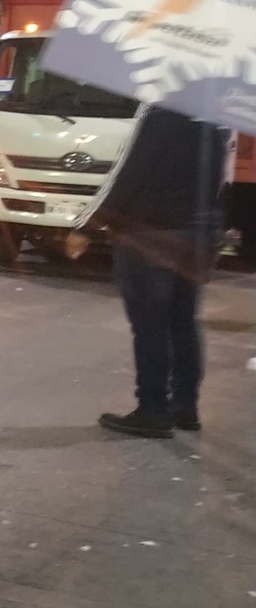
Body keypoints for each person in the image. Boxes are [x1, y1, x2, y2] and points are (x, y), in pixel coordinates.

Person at [67, 106, 228, 438]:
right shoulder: (217, 115)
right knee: (185, 321)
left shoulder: (161, 112)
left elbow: (130, 174)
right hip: (198, 233)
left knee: (151, 325)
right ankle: (186, 406)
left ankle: (153, 409)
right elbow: (218, 179)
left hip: (151, 234)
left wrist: (87, 226)